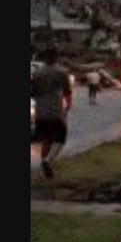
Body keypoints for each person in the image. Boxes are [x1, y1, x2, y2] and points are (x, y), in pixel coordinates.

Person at [31, 48, 73, 179]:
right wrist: (67, 108)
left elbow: (32, 92)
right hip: (55, 109)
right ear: (57, 57)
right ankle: (47, 161)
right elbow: (67, 92)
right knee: (60, 137)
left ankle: (44, 170)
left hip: (40, 109)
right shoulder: (62, 72)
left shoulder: (37, 73)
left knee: (45, 139)